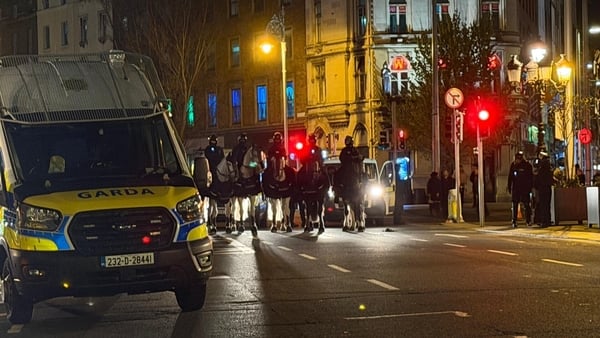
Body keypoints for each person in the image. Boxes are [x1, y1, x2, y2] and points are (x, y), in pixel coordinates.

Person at [338, 136, 365, 231]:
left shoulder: (355, 150)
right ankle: (337, 190)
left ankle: (362, 185)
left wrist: (357, 158)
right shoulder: (344, 151)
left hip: (355, 171)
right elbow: (341, 159)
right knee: (337, 174)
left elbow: (360, 158)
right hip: (346, 171)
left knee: (363, 175)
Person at [507, 151, 533, 228]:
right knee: (515, 205)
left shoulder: (527, 165)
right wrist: (509, 187)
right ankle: (514, 221)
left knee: (526, 205)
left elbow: (530, 178)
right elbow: (510, 177)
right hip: (516, 189)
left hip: (524, 189)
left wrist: (529, 188)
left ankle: (528, 220)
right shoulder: (514, 165)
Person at [534, 151, 553, 227]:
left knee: (542, 205)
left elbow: (537, 179)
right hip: (548, 188)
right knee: (547, 205)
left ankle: (544, 221)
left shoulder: (540, 169)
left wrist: (536, 187)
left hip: (542, 189)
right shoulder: (549, 169)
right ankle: (548, 220)